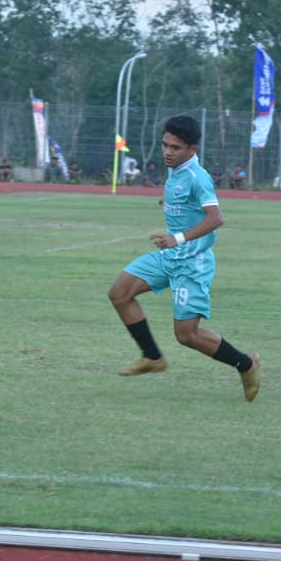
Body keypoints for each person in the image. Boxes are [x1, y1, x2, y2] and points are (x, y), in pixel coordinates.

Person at [107, 115, 260, 401]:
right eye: (165, 145)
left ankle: (246, 364)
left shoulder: (197, 177)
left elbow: (216, 219)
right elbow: (188, 202)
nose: (167, 151)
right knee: (119, 293)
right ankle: (152, 357)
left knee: (187, 335)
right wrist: (169, 202)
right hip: (170, 256)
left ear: (192, 149)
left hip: (192, 262)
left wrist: (176, 238)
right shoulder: (175, 169)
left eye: (175, 148)